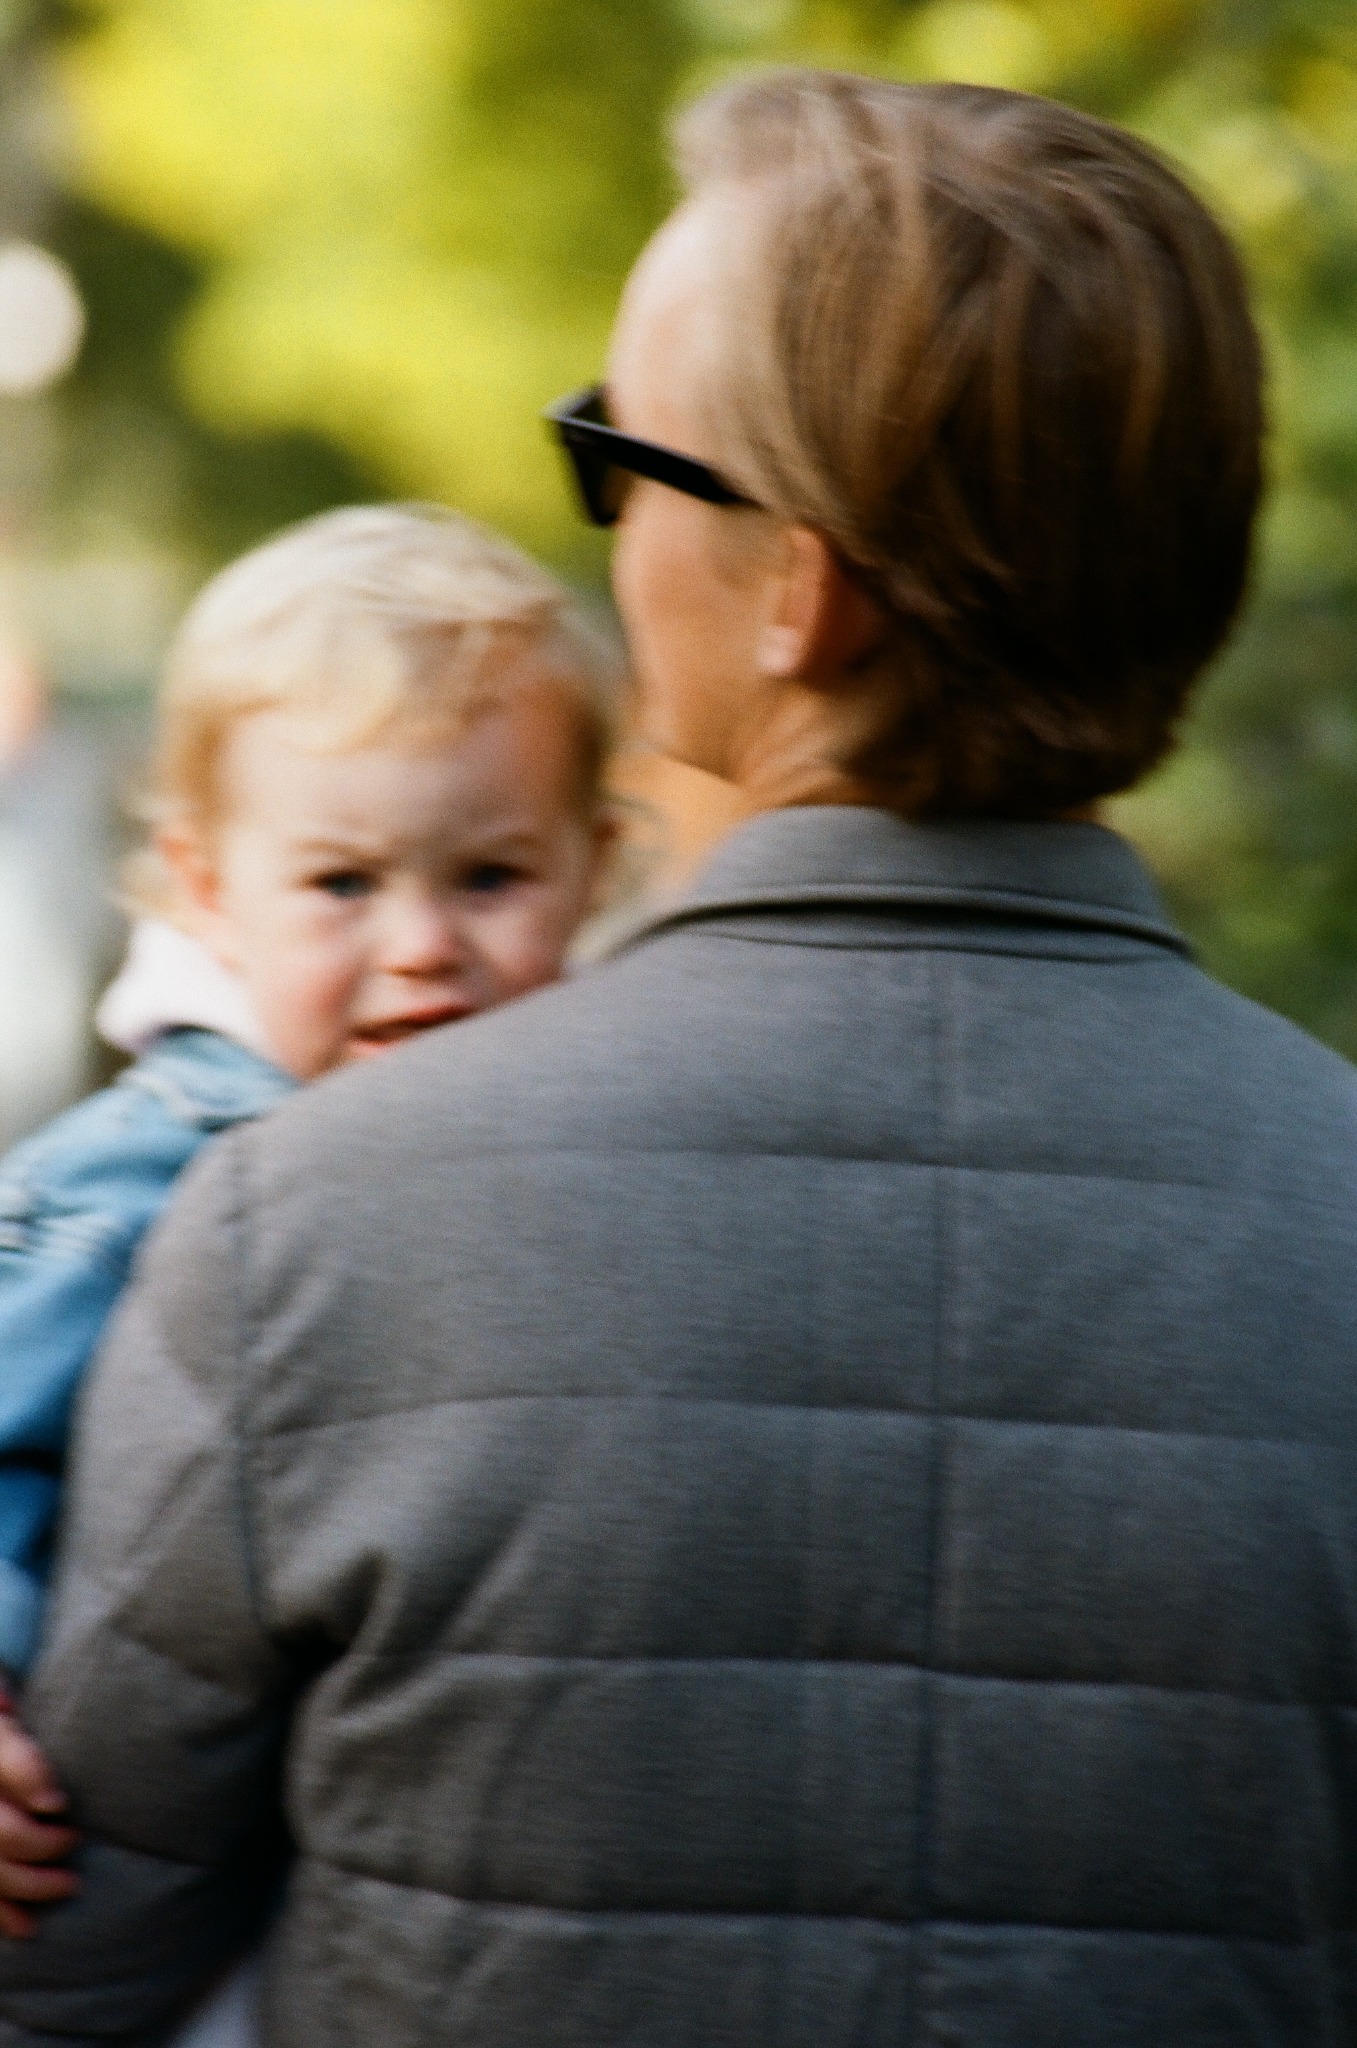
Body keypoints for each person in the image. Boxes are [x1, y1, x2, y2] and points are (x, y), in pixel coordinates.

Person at [0, 69, 1351, 2047]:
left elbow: (57, 1972)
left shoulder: (302, 1227)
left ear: (798, 595)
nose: (604, 513)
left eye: (614, 452)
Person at [0, 503, 616, 1991]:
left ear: (593, 867)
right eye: (343, 885)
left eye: (488, 879)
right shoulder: (154, 1171)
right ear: (210, 890)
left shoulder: (571, 1143)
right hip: (120, 1868)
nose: (418, 944)